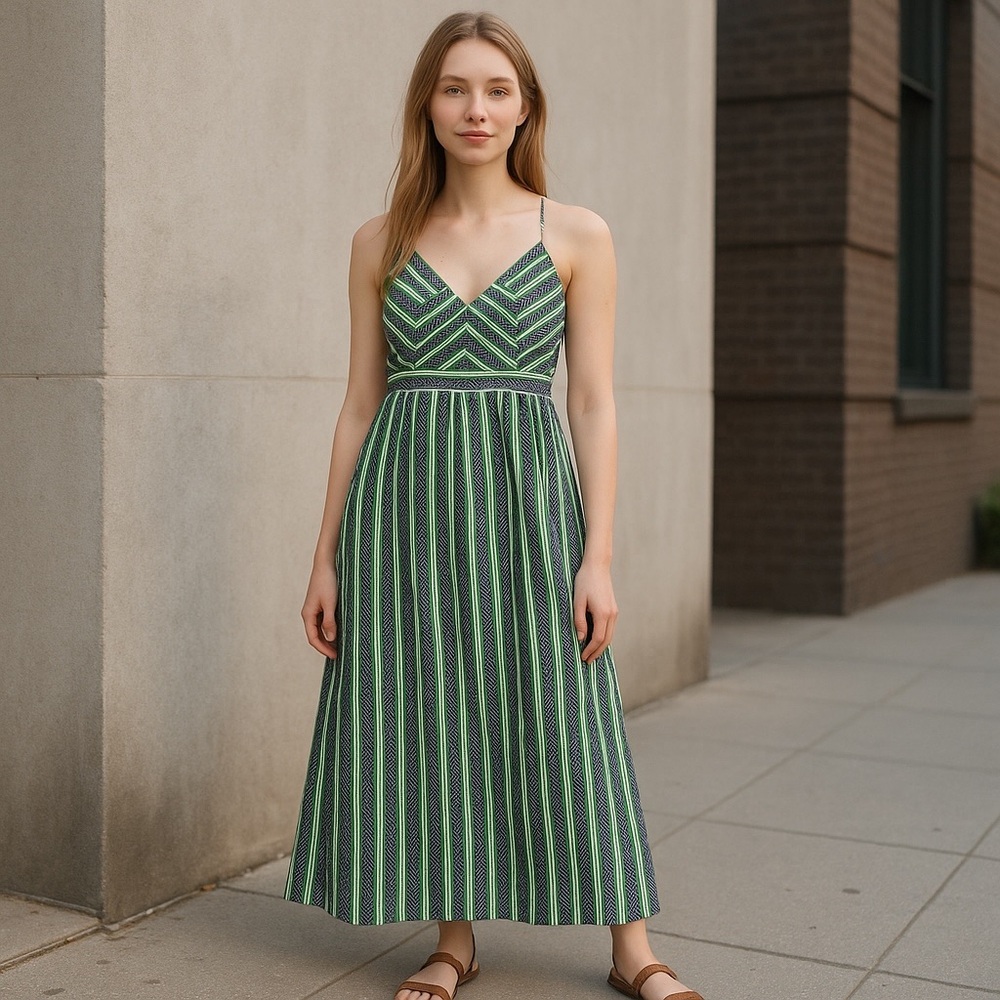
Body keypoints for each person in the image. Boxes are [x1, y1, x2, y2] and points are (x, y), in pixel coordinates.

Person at [283, 11, 704, 1000]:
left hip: (528, 505)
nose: (476, 108)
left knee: (569, 709)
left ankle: (631, 946)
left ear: (525, 109)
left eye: (497, 90)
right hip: (403, 512)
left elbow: (592, 402)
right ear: (427, 107)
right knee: (431, 710)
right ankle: (454, 941)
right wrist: (324, 557)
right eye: (455, 88)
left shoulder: (576, 233)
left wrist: (598, 556)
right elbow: (359, 404)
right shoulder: (378, 241)